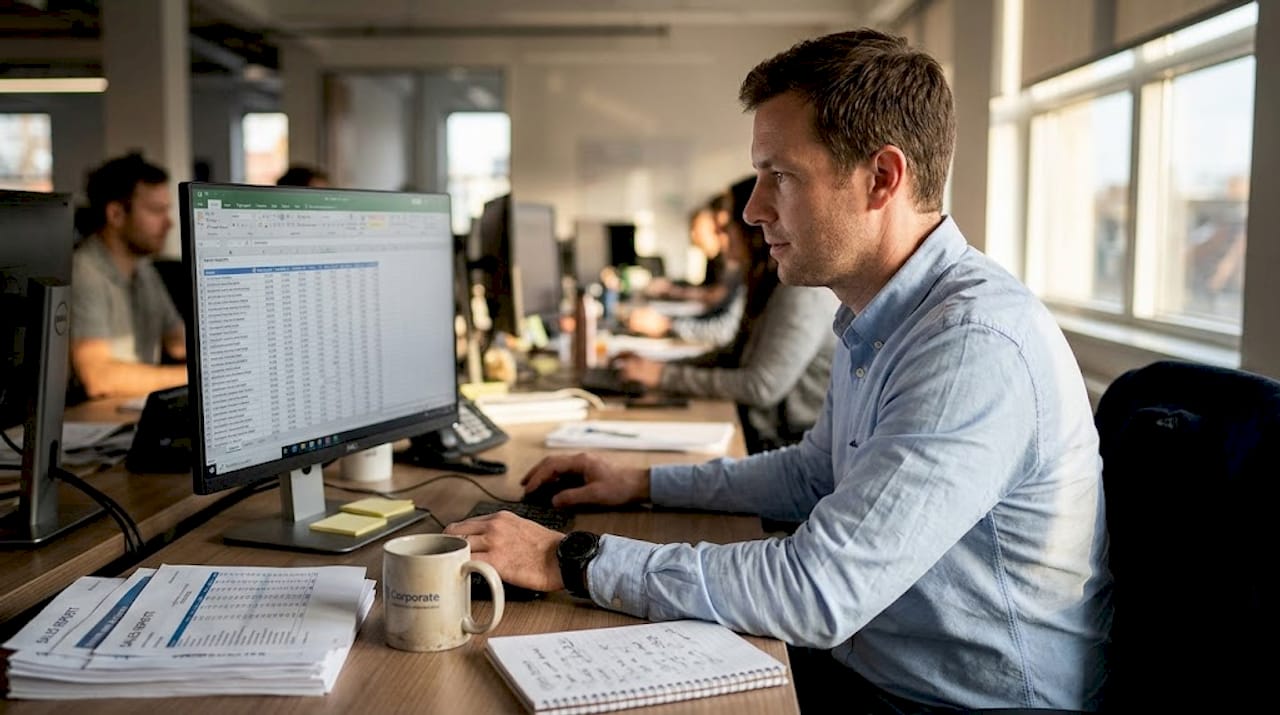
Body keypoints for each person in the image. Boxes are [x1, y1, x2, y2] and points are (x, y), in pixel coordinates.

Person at [445, 28, 1112, 712]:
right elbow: (811, 474)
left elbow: (818, 590)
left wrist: (567, 558)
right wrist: (638, 481)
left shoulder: (970, 346)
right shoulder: (882, 316)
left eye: (781, 176)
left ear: (882, 178)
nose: (751, 208)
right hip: (873, 664)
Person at [615, 175, 837, 454]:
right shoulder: (764, 283)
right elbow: (733, 354)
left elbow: (761, 387)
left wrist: (663, 376)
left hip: (781, 445)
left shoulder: (802, 293)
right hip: (757, 433)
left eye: (726, 225)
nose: (723, 236)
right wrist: (658, 368)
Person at [70, 153, 187, 399]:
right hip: (92, 422)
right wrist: (197, 378)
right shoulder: (83, 272)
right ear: (116, 215)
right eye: (156, 211)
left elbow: (178, 342)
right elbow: (98, 377)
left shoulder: (144, 269)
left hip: (131, 412)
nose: (169, 223)